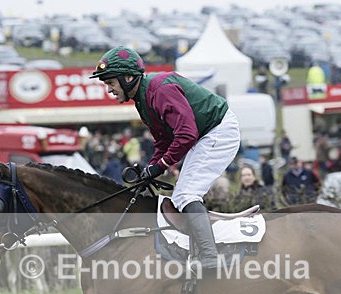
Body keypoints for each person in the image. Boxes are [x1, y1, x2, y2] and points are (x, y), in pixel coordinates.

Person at [90, 46, 240, 271]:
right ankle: (196, 250)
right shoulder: (142, 99)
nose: (109, 89)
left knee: (186, 194)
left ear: (128, 78)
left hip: (218, 130)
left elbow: (186, 134)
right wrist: (151, 168)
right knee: (180, 196)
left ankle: (210, 256)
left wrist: (161, 165)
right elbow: (163, 140)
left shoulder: (160, 90)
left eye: (111, 83)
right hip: (204, 134)